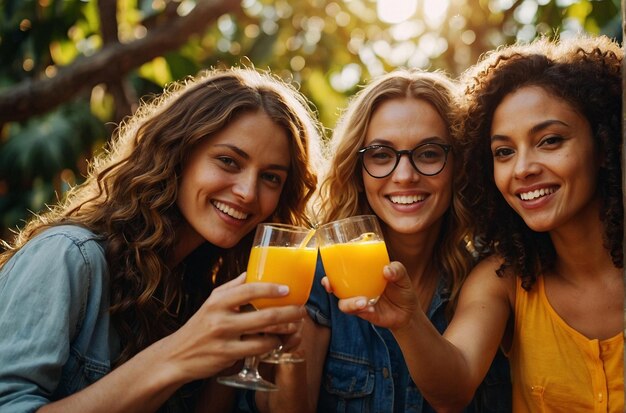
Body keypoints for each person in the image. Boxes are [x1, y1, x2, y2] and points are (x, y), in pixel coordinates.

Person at [0, 67, 325, 412]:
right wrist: (179, 354)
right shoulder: (68, 256)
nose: (247, 192)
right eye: (228, 161)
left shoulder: (200, 289)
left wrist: (278, 357)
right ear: (177, 154)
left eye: (271, 177)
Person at [333, 35, 623, 412]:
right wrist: (408, 321)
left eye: (550, 141)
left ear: (604, 144)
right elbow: (454, 389)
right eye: (504, 151)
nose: (523, 169)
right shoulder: (504, 278)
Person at [245, 68, 511, 412]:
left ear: (459, 165)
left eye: (429, 153)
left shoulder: (488, 270)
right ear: (357, 170)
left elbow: (453, 393)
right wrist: (290, 354)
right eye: (381, 155)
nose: (404, 176)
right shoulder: (317, 271)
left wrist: (408, 320)